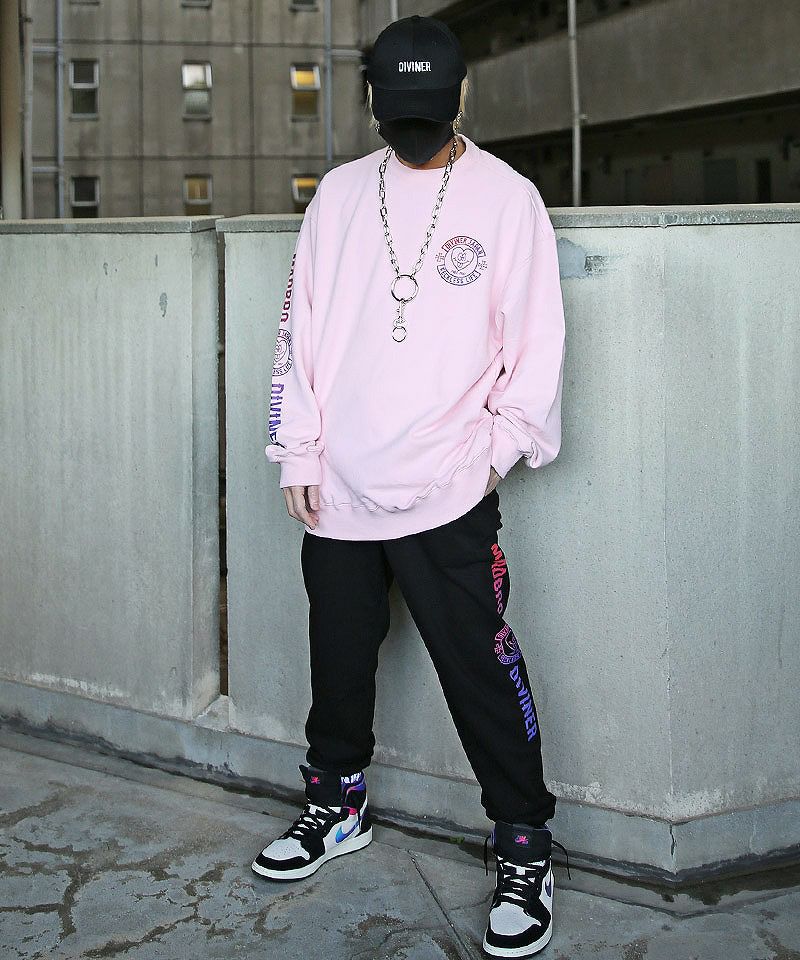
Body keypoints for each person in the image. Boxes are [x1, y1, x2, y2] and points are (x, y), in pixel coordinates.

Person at [251, 14, 569, 957]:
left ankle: (524, 842)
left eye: (429, 107)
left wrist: (491, 457)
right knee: (340, 658)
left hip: (450, 488)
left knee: (479, 665)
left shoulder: (508, 199)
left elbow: (538, 344)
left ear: (463, 95)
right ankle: (337, 803)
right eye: (399, 110)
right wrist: (299, 451)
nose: (414, 127)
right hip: (339, 486)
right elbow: (299, 330)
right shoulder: (340, 195)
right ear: (370, 103)